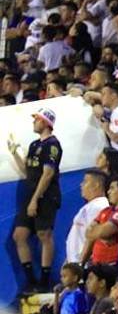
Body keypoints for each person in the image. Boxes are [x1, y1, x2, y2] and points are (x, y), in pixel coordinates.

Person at [9, 108, 62, 292]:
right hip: (30, 193)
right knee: (19, 235)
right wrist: (15, 153)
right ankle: (31, 281)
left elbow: (47, 175)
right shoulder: (33, 145)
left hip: (45, 195)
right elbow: (27, 171)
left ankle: (44, 281)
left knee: (43, 234)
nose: (34, 122)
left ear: (45, 123)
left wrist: (35, 200)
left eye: (37, 119)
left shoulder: (53, 145)